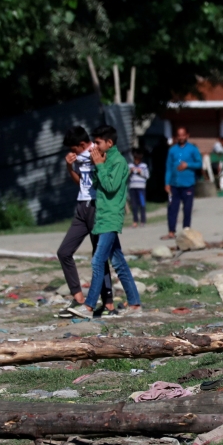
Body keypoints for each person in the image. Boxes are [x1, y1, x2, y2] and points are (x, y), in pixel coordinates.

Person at [68, 125, 141, 319]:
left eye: (98, 143)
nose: (95, 146)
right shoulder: (102, 158)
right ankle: (134, 303)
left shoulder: (118, 161)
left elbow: (110, 187)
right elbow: (93, 183)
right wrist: (91, 165)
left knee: (98, 260)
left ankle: (89, 306)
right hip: (101, 217)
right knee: (118, 261)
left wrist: (99, 164)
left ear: (109, 143)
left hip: (111, 217)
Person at [56, 126, 115, 318]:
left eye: (74, 149)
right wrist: (69, 167)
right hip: (82, 206)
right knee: (64, 252)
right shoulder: (79, 158)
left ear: (82, 144)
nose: (72, 152)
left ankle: (108, 304)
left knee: (99, 255)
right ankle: (78, 298)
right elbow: (81, 182)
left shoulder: (97, 153)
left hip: (97, 207)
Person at [163, 127, 202, 239]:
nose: (181, 137)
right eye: (179, 135)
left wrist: (188, 165)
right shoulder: (172, 150)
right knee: (172, 208)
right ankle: (171, 231)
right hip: (174, 185)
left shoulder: (192, 149)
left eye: (183, 135)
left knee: (187, 209)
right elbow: (169, 168)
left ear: (187, 135)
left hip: (188, 184)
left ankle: (186, 230)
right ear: (176, 137)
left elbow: (199, 164)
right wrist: (167, 183)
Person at [129, 149, 150, 227]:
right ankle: (135, 221)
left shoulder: (144, 166)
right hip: (132, 187)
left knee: (142, 204)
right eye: (135, 159)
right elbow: (126, 176)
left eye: (138, 159)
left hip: (141, 188)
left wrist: (140, 172)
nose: (136, 161)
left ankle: (143, 221)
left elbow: (147, 176)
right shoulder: (130, 165)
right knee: (134, 205)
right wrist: (130, 172)